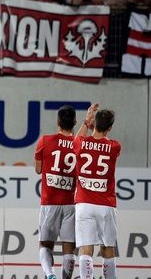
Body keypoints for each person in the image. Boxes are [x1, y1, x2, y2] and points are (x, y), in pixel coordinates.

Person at [74, 104, 121, 279]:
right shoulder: (115, 146)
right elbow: (104, 144)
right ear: (110, 127)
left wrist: (86, 122)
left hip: (84, 203)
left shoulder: (81, 143)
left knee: (86, 248)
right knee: (108, 247)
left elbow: (76, 140)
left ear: (94, 124)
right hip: (106, 204)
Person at [35, 106, 78, 279]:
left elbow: (38, 170)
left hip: (49, 201)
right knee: (69, 246)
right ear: (74, 122)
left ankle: (50, 274)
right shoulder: (79, 144)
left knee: (45, 244)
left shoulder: (45, 140)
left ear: (58, 121)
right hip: (71, 203)